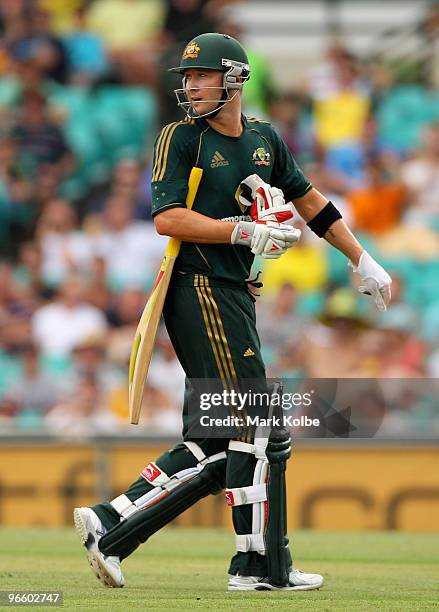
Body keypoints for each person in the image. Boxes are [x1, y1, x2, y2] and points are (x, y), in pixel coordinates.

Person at [73, 32, 392, 592]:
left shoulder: (265, 138)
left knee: (227, 436)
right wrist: (243, 230)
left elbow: (309, 199)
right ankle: (260, 567)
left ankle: (114, 521)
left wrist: (361, 257)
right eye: (186, 78)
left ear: (236, 79)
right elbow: (168, 217)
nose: (191, 86)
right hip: (199, 287)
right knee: (260, 426)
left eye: (202, 76)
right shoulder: (180, 137)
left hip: (233, 293)